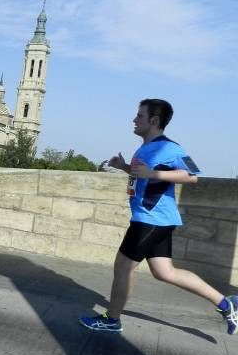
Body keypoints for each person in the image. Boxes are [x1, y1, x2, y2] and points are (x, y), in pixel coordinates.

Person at [80, 99, 237, 335]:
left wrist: (153, 172)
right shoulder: (144, 148)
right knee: (165, 272)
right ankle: (227, 304)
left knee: (123, 267)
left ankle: (112, 319)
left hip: (150, 219)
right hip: (154, 219)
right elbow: (143, 178)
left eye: (140, 116)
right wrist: (124, 167)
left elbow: (192, 175)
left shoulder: (170, 147)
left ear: (154, 121)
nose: (134, 120)